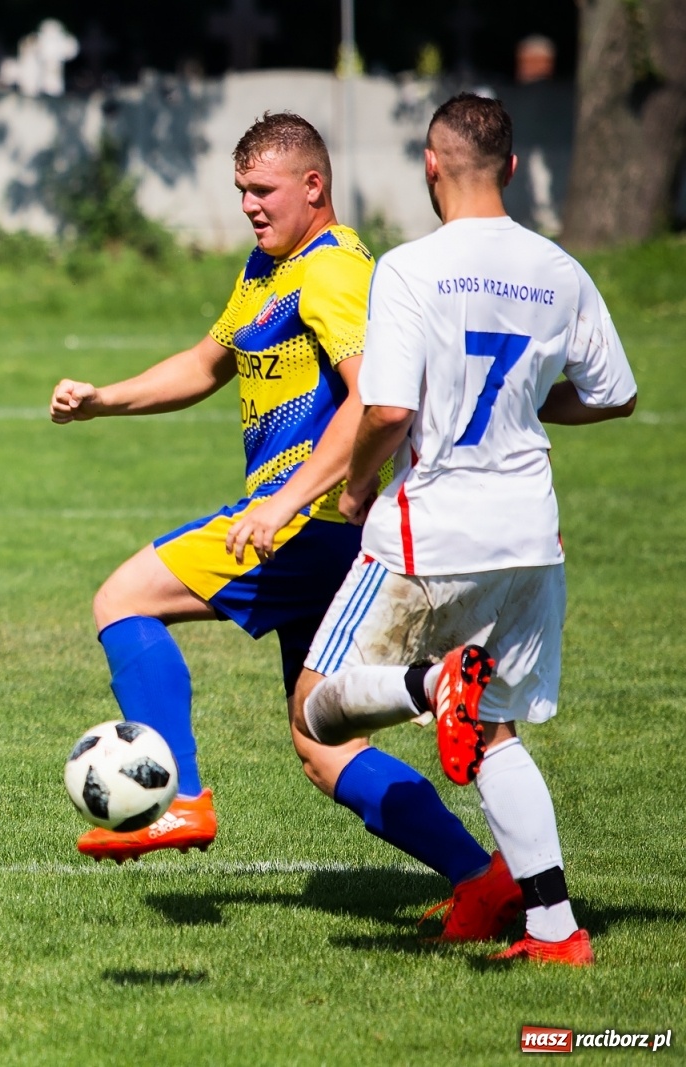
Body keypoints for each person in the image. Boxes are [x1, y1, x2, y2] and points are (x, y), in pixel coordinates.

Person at [50, 114, 504, 911]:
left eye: (263, 192)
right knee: (321, 741)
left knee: (122, 598)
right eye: (242, 193)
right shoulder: (270, 266)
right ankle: (481, 879)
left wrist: (288, 500)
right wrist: (103, 401)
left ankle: (180, 796)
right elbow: (205, 362)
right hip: (314, 524)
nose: (251, 207)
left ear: (313, 187)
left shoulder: (331, 271)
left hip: (306, 521)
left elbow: (372, 397)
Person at [293, 93, 637, 965]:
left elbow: (390, 405)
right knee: (494, 730)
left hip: (428, 529)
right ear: (514, 170)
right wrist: (527, 405)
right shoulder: (559, 268)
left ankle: (427, 682)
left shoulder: (411, 267)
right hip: (528, 534)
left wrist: (358, 484)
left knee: (317, 715)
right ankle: (556, 933)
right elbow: (614, 393)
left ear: (430, 165)